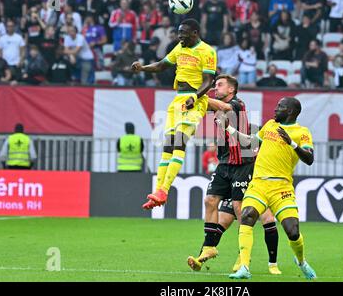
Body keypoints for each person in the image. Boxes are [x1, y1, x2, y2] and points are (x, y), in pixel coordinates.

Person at [187, 74, 281, 276]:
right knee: (210, 200)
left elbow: (224, 108)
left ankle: (243, 256)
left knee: (240, 208)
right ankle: (208, 248)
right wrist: (188, 99)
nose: (215, 88)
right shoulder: (217, 105)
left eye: (219, 85)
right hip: (224, 164)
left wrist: (197, 96)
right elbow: (205, 107)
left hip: (243, 166)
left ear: (231, 90)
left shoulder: (238, 104)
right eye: (214, 85)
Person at [225, 97, 317, 280]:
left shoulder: (302, 132)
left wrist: (292, 143)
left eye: (280, 107)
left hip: (281, 187)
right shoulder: (269, 125)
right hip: (259, 184)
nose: (275, 109)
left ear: (290, 111)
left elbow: (309, 159)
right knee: (247, 215)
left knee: (293, 231)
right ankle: (244, 267)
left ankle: (301, 262)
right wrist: (229, 128)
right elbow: (251, 142)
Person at [131, 18, 216, 210]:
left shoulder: (207, 51)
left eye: (183, 34)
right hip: (178, 100)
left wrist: (194, 97)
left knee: (179, 141)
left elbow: (209, 81)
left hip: (195, 101)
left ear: (195, 33)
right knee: (168, 145)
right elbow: (162, 65)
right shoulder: (180, 47)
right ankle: (157, 193)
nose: (180, 37)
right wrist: (142, 68)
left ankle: (164, 190)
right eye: (179, 34)